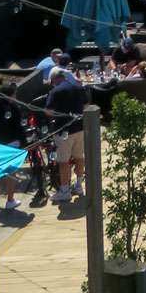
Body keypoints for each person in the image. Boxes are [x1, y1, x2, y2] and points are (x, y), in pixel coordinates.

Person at [43, 66, 87, 203]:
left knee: (63, 161)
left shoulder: (55, 91)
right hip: (80, 127)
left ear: (55, 79)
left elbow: (48, 111)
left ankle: (65, 190)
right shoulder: (79, 88)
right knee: (79, 157)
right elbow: (86, 106)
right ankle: (79, 186)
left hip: (63, 131)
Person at [0, 81, 24, 212]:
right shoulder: (13, 108)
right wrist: (23, 141)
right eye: (14, 94)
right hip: (11, 143)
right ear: (9, 95)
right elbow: (18, 127)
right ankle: (10, 200)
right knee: (11, 172)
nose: (15, 97)